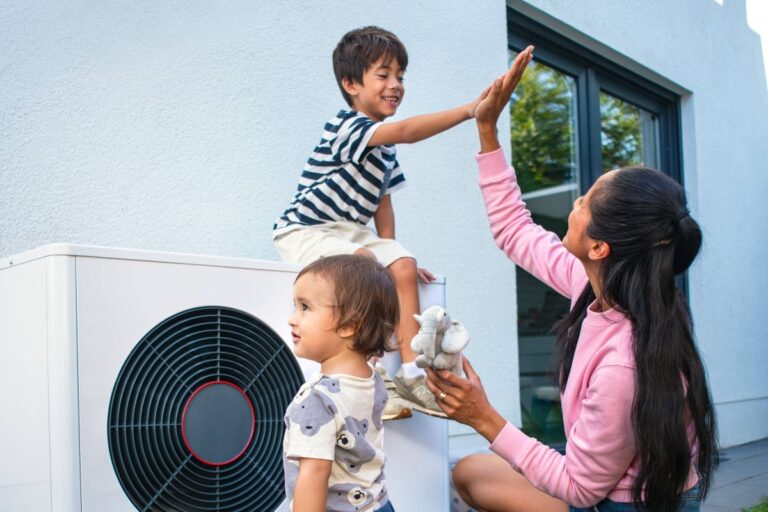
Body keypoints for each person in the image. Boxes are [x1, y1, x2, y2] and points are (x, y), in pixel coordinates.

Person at [425, 47, 719, 512]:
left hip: (628, 503)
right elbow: (514, 230)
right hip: (610, 479)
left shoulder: (625, 363)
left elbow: (583, 488)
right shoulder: (610, 286)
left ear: (601, 248)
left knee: (479, 468)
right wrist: (487, 130)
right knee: (469, 469)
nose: (577, 199)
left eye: (587, 200)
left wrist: (483, 417)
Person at [273, 26, 488, 419]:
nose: (396, 85)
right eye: (384, 75)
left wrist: (393, 256)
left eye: (401, 77)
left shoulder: (385, 149)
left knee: (402, 266)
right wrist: (469, 110)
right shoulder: (347, 126)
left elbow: (382, 206)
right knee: (362, 267)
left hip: (352, 232)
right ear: (351, 83)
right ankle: (370, 377)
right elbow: (406, 132)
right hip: (307, 228)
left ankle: (409, 375)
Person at [282, 254, 399, 512]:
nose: (292, 318)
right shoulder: (372, 379)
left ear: (348, 325)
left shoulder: (317, 400)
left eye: (305, 307)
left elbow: (314, 475)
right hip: (379, 504)